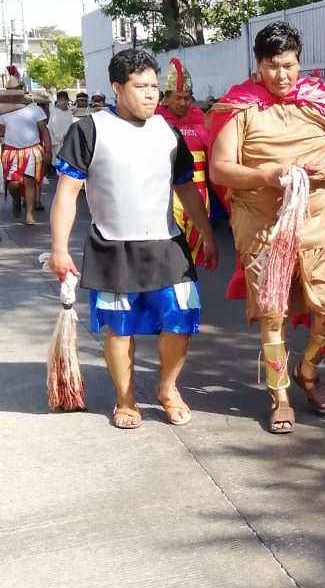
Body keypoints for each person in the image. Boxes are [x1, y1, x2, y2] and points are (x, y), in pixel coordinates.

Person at [48, 47, 218, 429]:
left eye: (154, 86)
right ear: (116, 88)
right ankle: (125, 400)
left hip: (168, 246)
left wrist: (206, 234)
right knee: (120, 329)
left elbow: (186, 188)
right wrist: (59, 249)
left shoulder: (168, 132)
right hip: (113, 248)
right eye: (140, 86)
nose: (151, 94)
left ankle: (168, 389)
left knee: (180, 322)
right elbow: (66, 195)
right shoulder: (89, 130)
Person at [209, 21, 325, 435]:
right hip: (264, 230)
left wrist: (324, 169)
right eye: (272, 66)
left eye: (289, 65)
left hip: (319, 225)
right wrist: (268, 175)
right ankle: (280, 396)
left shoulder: (320, 101)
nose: (282, 75)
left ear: (299, 62)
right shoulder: (239, 107)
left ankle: (307, 369)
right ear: (258, 65)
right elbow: (220, 169)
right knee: (271, 316)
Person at [157, 58, 213, 263]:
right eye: (178, 97)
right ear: (166, 97)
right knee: (172, 251)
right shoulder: (155, 122)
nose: (183, 103)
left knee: (194, 251)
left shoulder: (201, 119)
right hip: (169, 194)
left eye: (187, 98)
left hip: (200, 193)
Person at [0, 87, 51, 225]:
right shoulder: (4, 110)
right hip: (11, 152)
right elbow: (1, 131)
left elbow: (45, 132)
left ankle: (29, 214)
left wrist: (48, 152)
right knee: (13, 184)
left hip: (32, 151)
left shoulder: (35, 109)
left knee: (30, 181)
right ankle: (16, 200)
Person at [48, 90, 74, 167]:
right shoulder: (54, 114)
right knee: (61, 166)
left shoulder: (72, 112)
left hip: (71, 142)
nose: (63, 102)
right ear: (58, 101)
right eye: (61, 100)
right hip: (59, 143)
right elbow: (54, 129)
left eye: (65, 100)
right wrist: (63, 138)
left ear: (68, 101)